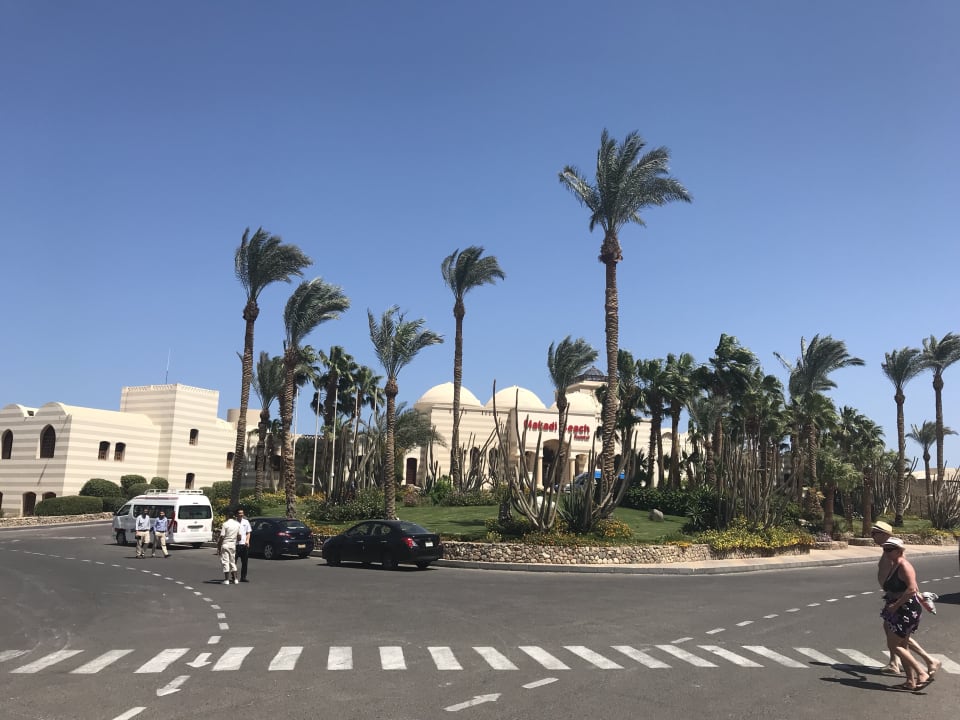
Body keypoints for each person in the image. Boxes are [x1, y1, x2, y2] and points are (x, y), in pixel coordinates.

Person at [870, 521, 939, 677]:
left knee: (897, 637)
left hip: (900, 602)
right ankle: (896, 663)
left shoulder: (895, 554)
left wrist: (918, 597)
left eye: (875, 533)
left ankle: (926, 662)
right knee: (893, 632)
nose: (872, 536)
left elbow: (910, 583)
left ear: (884, 534)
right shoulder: (888, 551)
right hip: (893, 599)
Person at [879, 537, 933, 691]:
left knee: (894, 645)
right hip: (898, 610)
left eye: (890, 549)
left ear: (899, 551)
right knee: (903, 645)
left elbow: (912, 589)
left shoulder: (904, 565)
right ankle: (910, 681)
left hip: (906, 610)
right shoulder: (895, 565)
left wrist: (895, 605)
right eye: (885, 549)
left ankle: (921, 673)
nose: (886, 552)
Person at [216, 510, 241, 584]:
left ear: (227, 516)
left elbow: (222, 536)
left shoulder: (225, 524)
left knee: (225, 561)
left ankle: (226, 579)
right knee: (232, 561)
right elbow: (239, 536)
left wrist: (219, 546)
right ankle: (235, 579)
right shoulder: (237, 524)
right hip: (233, 544)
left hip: (226, 544)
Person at [236, 509, 252, 582]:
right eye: (239, 513)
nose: (241, 514)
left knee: (245, 562)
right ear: (236, 514)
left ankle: (243, 577)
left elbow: (248, 532)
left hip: (244, 544)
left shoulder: (246, 522)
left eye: (242, 513)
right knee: (234, 562)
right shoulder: (234, 522)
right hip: (235, 545)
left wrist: (247, 541)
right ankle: (234, 577)